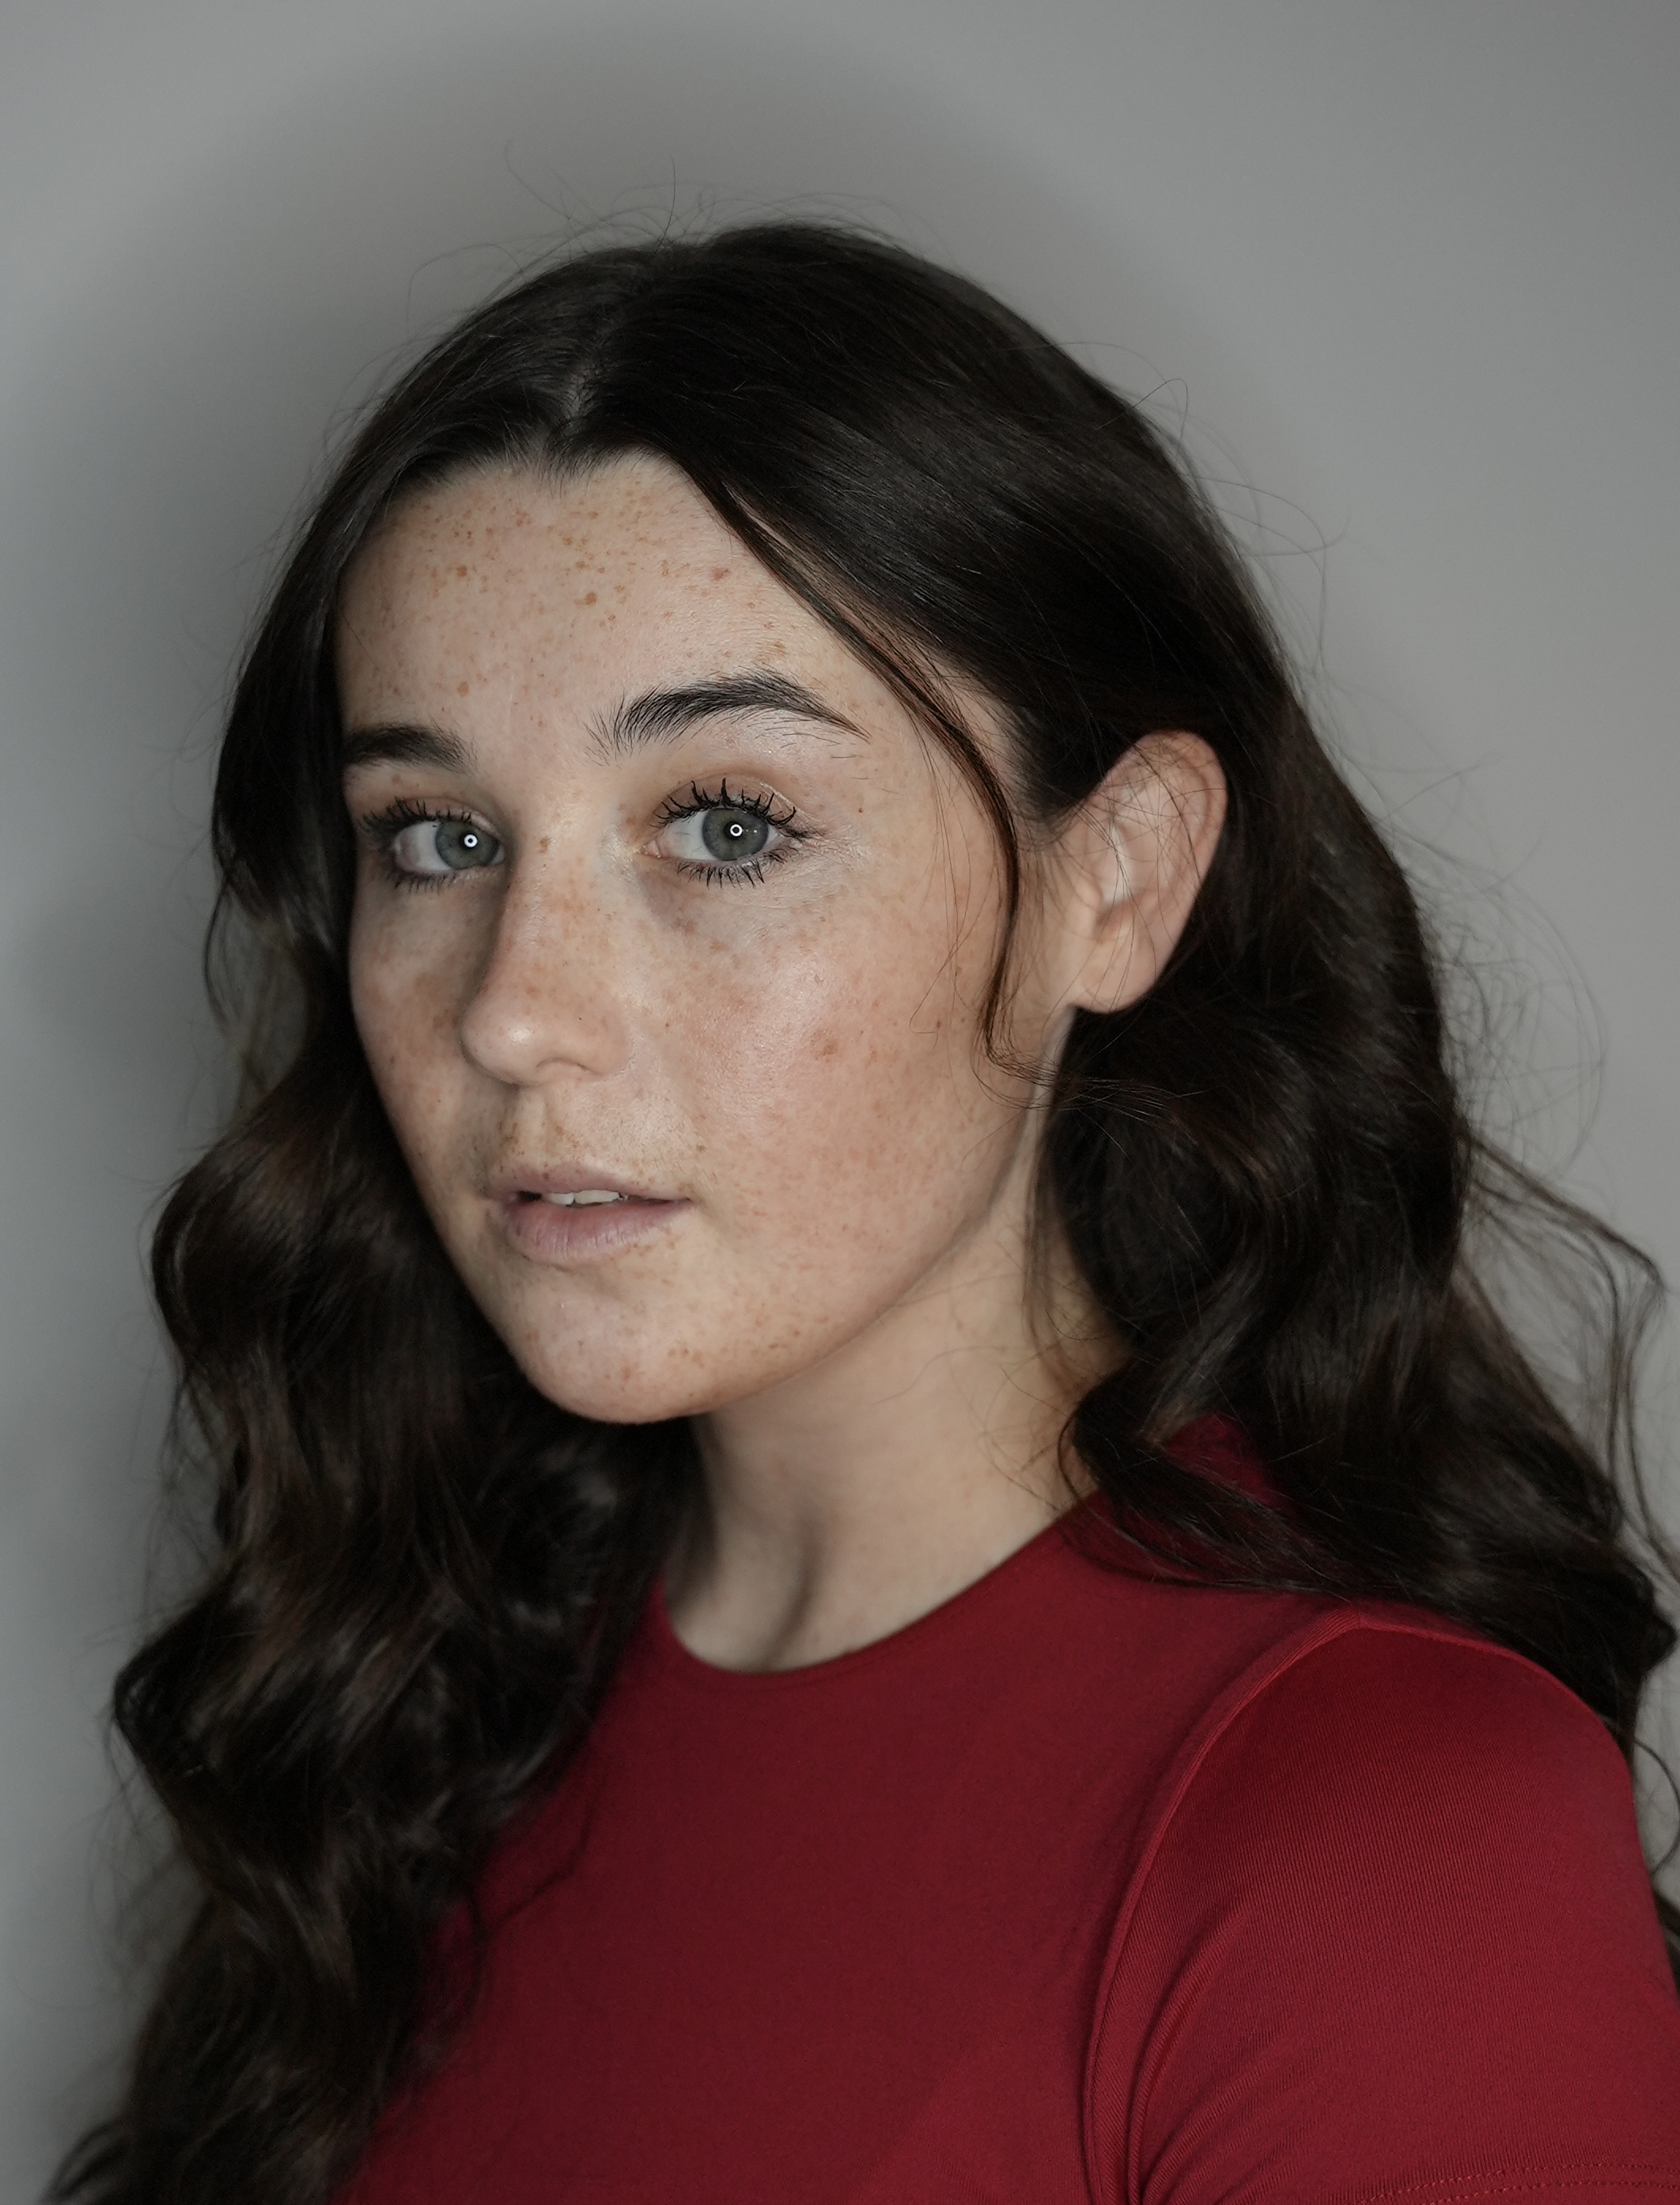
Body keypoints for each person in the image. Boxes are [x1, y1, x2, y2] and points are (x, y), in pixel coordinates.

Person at [54, 222, 1680, 2205]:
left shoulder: (1381, 1838)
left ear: (1118, 878)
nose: (512, 1009)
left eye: (726, 823)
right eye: (440, 834)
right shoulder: (415, 1697)